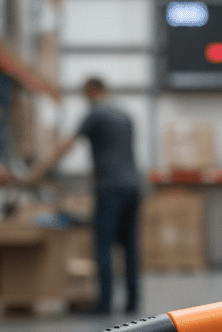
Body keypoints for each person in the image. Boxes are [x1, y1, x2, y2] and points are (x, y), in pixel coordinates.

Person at [28, 77, 142, 315]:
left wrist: (39, 170)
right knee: (129, 246)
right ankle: (132, 302)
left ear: (92, 91)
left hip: (110, 187)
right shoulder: (125, 116)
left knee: (102, 244)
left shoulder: (96, 114)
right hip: (134, 186)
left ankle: (104, 303)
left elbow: (68, 145)